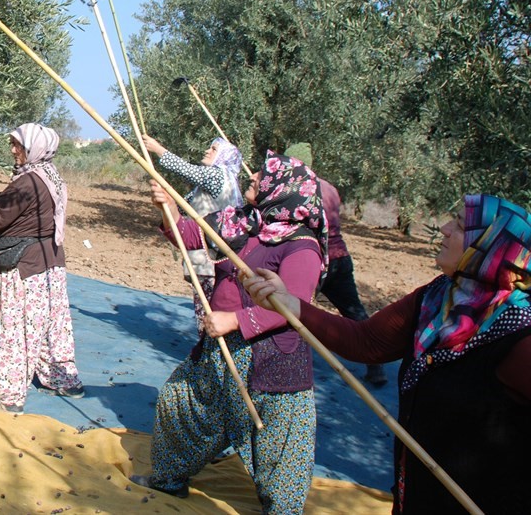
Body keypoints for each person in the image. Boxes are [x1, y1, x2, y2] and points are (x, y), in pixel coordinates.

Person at [243, 194, 531, 515]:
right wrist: (290, 304)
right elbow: (367, 342)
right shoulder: (437, 298)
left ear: (493, 247)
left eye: (461, 226)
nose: (446, 229)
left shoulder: (519, 335)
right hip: (418, 495)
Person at [131, 152, 325, 514]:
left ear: (282, 191)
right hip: (219, 352)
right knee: (182, 403)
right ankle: (169, 479)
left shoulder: (302, 246)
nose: (251, 179)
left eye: (259, 179)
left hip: (271, 362)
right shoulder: (242, 221)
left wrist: (235, 320)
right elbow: (186, 234)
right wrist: (169, 208)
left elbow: (293, 305)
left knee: (276, 442)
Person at [0, 123, 83, 413]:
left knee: (13, 329)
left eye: (18, 145)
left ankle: (10, 396)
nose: (13, 150)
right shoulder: (49, 175)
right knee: (51, 326)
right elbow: (10, 205)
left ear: (33, 149)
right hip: (50, 264)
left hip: (23, 266)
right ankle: (63, 380)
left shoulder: (28, 183)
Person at [284, 142, 386, 387]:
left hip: (315, 259)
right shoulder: (329, 187)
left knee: (291, 308)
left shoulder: (299, 188)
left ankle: (283, 363)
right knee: (354, 310)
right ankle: (376, 366)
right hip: (340, 257)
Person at [142, 134, 244, 316]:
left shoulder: (217, 175)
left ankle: (208, 342)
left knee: (208, 312)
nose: (207, 150)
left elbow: (187, 170)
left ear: (224, 156)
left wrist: (157, 149)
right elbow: (182, 205)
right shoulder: (225, 182)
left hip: (208, 257)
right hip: (214, 257)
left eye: (214, 149)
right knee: (210, 308)